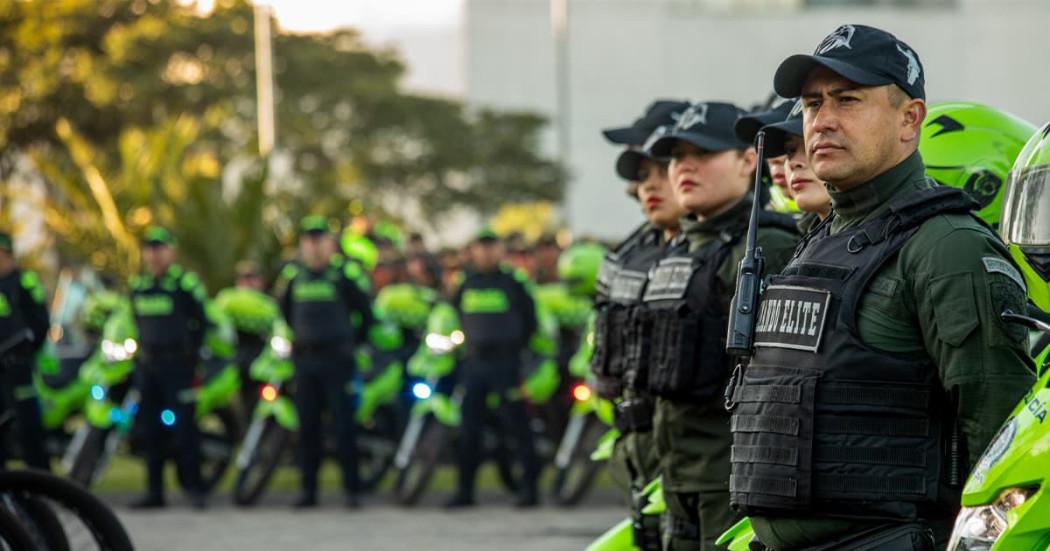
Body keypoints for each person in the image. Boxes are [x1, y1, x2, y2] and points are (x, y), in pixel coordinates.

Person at [727, 25, 1035, 550]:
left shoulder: (946, 246)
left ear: (909, 119)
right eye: (812, 104)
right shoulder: (821, 238)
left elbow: (1002, 445)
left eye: (848, 101)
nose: (822, 121)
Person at [644, 102, 799, 550]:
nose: (683, 167)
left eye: (703, 153)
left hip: (729, 479)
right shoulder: (682, 246)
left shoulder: (765, 244)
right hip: (677, 476)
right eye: (675, 157)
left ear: (748, 161)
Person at [593, 99, 689, 551]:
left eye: (653, 163)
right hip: (644, 448)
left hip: (691, 461)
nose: (640, 181)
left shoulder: (720, 249)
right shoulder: (639, 245)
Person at [275, 216, 374, 509]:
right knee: (308, 428)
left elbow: (366, 316)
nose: (314, 245)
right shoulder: (295, 276)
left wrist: (348, 343)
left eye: (320, 239)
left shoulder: (344, 275)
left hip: (337, 361)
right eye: (309, 239)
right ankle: (309, 492)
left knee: (344, 427)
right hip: (305, 362)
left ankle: (352, 491)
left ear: (330, 244)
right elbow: (284, 313)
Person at [446, 227, 541, 509]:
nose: (486, 252)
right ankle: (465, 492)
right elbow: (453, 315)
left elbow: (530, 321)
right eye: (481, 246)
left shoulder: (513, 283)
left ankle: (529, 490)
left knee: (517, 427)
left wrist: (514, 350)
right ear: (474, 251)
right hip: (474, 363)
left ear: (500, 250)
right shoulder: (467, 283)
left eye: (491, 246)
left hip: (506, 363)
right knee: (468, 429)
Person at [128, 226, 207, 509]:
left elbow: (202, 322)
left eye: (160, 248)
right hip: (149, 365)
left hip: (178, 365)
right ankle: (154, 492)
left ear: (171, 251)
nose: (155, 254)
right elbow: (134, 321)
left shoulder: (184, 284)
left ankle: (194, 488)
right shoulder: (139, 285)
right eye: (150, 248)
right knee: (150, 431)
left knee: (186, 429)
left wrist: (192, 356)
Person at [0, 231, 50, 471]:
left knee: (27, 425)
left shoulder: (25, 282)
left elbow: (41, 323)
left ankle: (42, 481)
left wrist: (25, 351)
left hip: (18, 367)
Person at [214, 261, 280, 416]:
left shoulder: (272, 306)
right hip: (235, 365)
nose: (248, 283)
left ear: (261, 281)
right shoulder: (227, 302)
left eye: (252, 278)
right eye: (243, 278)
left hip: (264, 366)